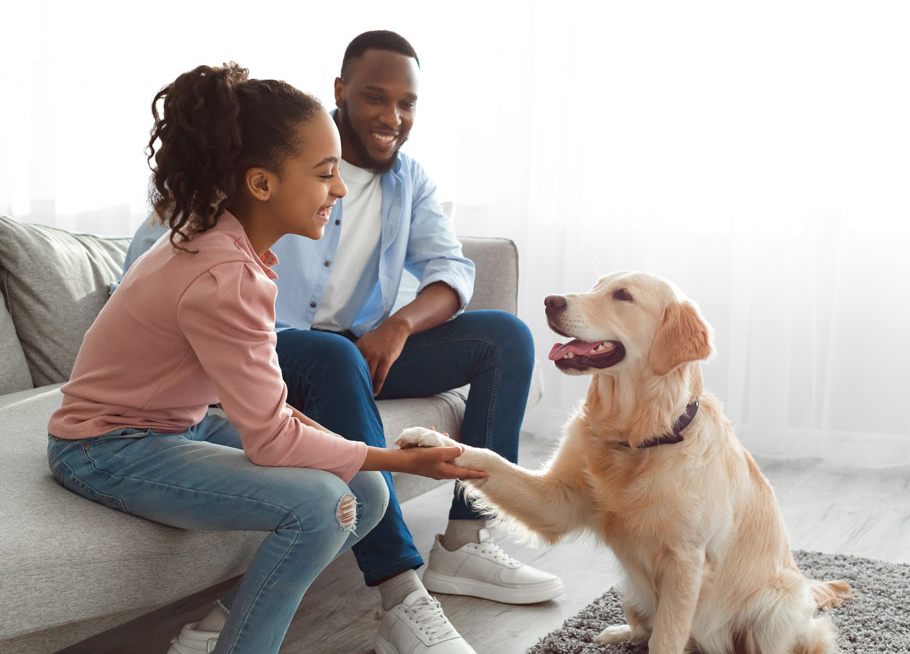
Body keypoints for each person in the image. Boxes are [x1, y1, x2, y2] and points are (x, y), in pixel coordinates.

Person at [124, 32, 561, 654]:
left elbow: (451, 269)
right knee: (331, 357)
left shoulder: (409, 180)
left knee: (505, 338)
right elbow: (155, 264)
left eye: (407, 103)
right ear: (341, 91)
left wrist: (398, 326)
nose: (392, 117)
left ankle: (467, 541)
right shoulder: (266, 161)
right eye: (376, 98)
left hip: (357, 350)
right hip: (273, 347)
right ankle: (401, 595)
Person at [48, 62, 487, 654]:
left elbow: (271, 414)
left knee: (368, 491)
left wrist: (368, 459)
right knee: (323, 506)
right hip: (104, 447)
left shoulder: (225, 245)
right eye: (325, 173)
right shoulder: (224, 275)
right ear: (261, 184)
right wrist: (401, 459)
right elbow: (272, 442)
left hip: (176, 423)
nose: (339, 190)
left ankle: (226, 625)